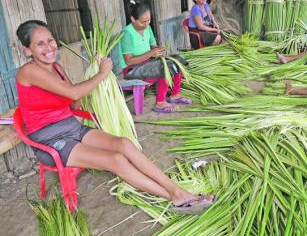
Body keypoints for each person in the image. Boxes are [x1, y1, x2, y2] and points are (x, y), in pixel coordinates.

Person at [15, 20, 215, 214]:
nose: (49, 47)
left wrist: (96, 83)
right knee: (116, 160)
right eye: (39, 44)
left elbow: (75, 102)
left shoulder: (57, 68)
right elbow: (74, 94)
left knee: (124, 144)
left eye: (50, 40)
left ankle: (176, 193)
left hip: (72, 127)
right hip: (50, 140)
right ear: (27, 50)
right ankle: (177, 196)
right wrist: (101, 74)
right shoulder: (29, 71)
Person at [119, 2, 192, 113]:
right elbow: (128, 61)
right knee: (164, 67)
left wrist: (158, 49)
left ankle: (174, 95)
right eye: (143, 21)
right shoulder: (127, 34)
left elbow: (153, 45)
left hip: (147, 63)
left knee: (178, 60)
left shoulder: (147, 28)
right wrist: (150, 54)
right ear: (133, 19)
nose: (147, 24)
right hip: (132, 70)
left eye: (149, 20)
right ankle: (160, 103)